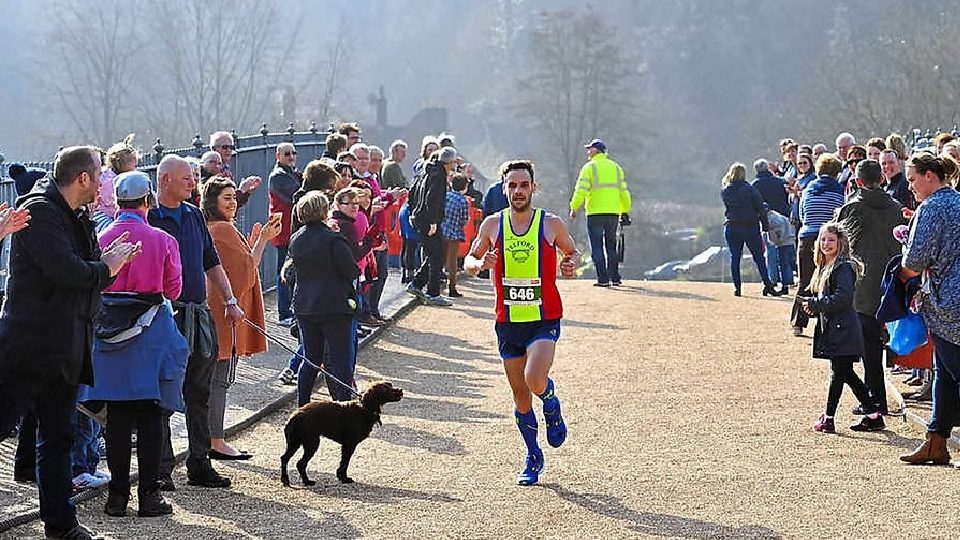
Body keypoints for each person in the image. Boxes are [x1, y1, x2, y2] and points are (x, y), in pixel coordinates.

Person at [0, 146, 140, 540]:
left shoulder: (79, 216)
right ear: (83, 178)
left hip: (66, 345)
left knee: (58, 439)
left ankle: (61, 527)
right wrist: (106, 267)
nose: (103, 183)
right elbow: (67, 271)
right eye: (99, 176)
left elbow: (90, 274)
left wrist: (108, 263)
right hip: (29, 346)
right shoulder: (40, 212)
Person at [465, 159, 578, 486]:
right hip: (508, 321)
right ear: (504, 189)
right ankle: (532, 456)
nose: (518, 191)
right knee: (520, 396)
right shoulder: (492, 225)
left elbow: (571, 252)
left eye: (523, 185)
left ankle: (551, 401)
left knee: (534, 378)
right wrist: (479, 263)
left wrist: (569, 263)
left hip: (543, 317)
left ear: (533, 188)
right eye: (512, 185)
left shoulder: (550, 223)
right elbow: (471, 260)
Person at [81, 171, 188, 518]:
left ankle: (116, 497)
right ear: (147, 201)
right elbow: (173, 291)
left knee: (118, 419)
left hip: (109, 336)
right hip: (151, 332)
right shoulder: (162, 239)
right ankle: (149, 495)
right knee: (151, 416)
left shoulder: (102, 235)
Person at [148, 154, 244, 490]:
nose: (193, 183)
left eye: (193, 177)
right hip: (163, 316)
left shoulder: (193, 215)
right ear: (165, 181)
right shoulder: (150, 218)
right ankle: (161, 469)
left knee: (199, 393)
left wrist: (230, 300)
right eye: (187, 178)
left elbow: (210, 261)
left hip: (197, 313)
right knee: (161, 394)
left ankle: (200, 463)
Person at [201, 176, 279, 460]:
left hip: (210, 311)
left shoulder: (210, 228)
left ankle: (210, 438)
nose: (233, 203)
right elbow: (247, 271)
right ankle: (217, 440)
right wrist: (262, 241)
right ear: (213, 202)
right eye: (227, 198)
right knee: (220, 380)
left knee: (209, 380)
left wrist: (259, 240)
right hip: (223, 314)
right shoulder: (222, 230)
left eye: (234, 197)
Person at [898, 153, 960, 465]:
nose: (910, 186)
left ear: (930, 176)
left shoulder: (932, 208)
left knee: (953, 372)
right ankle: (936, 443)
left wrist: (897, 276)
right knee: (944, 375)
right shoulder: (958, 202)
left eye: (912, 179)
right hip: (951, 298)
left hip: (947, 303)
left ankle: (936, 442)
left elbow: (914, 261)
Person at [835, 160, 906, 416]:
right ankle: (876, 398)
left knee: (867, 346)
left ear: (858, 181)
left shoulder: (851, 209)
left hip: (861, 284)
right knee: (876, 342)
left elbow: (840, 249)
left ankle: (875, 400)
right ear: (881, 179)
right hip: (889, 284)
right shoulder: (896, 208)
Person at [800, 223, 884, 434]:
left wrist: (816, 305)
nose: (826, 244)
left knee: (838, 374)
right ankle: (873, 415)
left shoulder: (843, 266)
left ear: (840, 242)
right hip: (837, 328)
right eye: (823, 239)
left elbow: (843, 298)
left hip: (843, 329)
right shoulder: (826, 267)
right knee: (845, 373)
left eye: (831, 240)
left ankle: (828, 418)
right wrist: (813, 305)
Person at [283, 191, 360, 405]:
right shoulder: (334, 239)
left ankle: (303, 404)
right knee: (340, 359)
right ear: (324, 211)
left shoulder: (296, 239)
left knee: (311, 359)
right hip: (334, 305)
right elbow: (350, 270)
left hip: (306, 305)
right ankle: (345, 404)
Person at [792, 154, 846, 336]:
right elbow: (840, 217)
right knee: (828, 281)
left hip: (806, 236)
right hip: (828, 238)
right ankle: (825, 321)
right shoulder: (839, 190)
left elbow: (800, 214)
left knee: (805, 281)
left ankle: (798, 323)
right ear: (837, 172)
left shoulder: (807, 189)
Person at [569, 138, 631, 287]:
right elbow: (624, 192)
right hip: (613, 213)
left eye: (590, 149)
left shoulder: (589, 168)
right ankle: (615, 277)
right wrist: (625, 211)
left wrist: (574, 207)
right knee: (611, 245)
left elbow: (581, 190)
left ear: (596, 151)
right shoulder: (616, 168)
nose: (588, 152)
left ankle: (603, 279)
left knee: (597, 246)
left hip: (595, 213)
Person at [407, 147, 458, 306]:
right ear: (449, 162)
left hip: (420, 218)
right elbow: (433, 199)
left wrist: (413, 212)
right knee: (437, 256)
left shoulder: (427, 171)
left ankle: (416, 284)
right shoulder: (439, 175)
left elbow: (413, 192)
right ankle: (432, 292)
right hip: (428, 220)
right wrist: (434, 222)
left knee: (433, 253)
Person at [719, 162, 779, 297]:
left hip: (731, 226)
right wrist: (765, 226)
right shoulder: (750, 189)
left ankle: (737, 288)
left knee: (735, 257)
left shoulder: (725, 190)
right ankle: (767, 285)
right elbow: (760, 209)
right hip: (749, 226)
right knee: (759, 257)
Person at [268, 142, 301, 327]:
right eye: (287, 153)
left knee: (291, 271)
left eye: (294, 153)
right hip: (284, 231)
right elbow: (296, 196)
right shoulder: (279, 176)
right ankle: (283, 313)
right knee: (284, 271)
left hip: (291, 230)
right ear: (278, 156)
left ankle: (289, 310)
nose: (291, 156)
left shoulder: (291, 173)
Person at [443, 174, 470, 298]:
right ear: (465, 187)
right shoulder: (463, 200)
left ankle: (434, 284)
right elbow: (464, 219)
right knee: (452, 262)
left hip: (440, 232)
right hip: (454, 233)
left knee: (439, 259)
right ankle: (451, 287)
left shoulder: (445, 196)